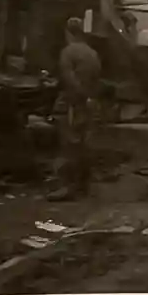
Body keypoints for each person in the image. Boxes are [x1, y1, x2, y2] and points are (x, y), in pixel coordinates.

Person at [53, 17, 102, 195]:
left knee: (70, 144)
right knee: (84, 143)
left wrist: (77, 97)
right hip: (88, 101)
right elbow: (97, 79)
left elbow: (69, 78)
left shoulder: (68, 52)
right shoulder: (92, 52)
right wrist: (89, 97)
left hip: (73, 101)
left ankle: (69, 187)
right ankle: (83, 185)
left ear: (68, 32)